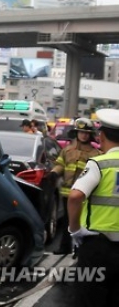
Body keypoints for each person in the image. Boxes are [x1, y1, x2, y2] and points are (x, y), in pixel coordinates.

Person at [67, 108, 119, 307]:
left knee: (89, 300)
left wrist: (75, 230)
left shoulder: (99, 164)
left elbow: (75, 196)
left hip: (97, 246)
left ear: (102, 136)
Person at [50, 117, 101, 254]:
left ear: (90, 135)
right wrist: (54, 173)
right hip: (67, 194)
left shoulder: (95, 154)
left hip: (84, 195)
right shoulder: (67, 150)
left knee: (82, 223)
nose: (83, 135)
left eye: (86, 133)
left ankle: (80, 249)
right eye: (81, 132)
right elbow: (60, 164)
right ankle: (65, 247)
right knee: (68, 223)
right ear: (76, 133)